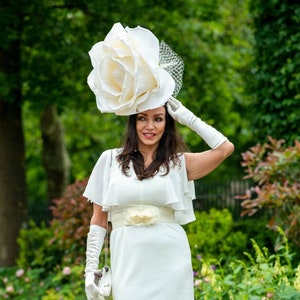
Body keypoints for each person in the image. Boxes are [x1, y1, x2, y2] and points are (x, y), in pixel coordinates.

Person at [83, 23, 234, 300]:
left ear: (168, 123)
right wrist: (90, 272)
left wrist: (190, 118)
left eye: (158, 118)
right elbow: (98, 220)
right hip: (128, 260)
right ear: (133, 122)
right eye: (143, 118)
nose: (149, 126)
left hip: (170, 261)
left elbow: (224, 148)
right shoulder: (109, 161)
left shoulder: (178, 164)